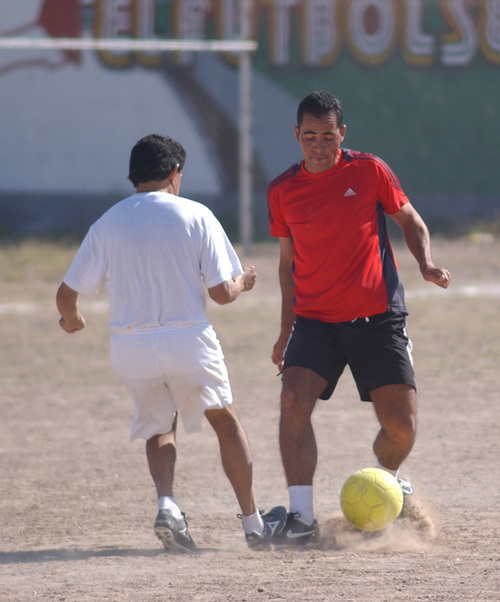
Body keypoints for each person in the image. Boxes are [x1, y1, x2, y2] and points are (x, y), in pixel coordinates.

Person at [56, 134, 286, 552]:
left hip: (130, 347)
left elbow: (66, 295)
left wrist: (72, 321)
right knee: (225, 422)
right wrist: (244, 281)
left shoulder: (107, 223)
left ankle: (168, 506)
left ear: (134, 176)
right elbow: (221, 293)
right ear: (174, 173)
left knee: (159, 426)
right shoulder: (196, 215)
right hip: (187, 340)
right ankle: (254, 525)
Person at [267, 91, 451, 549]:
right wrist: (285, 330)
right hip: (315, 323)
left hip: (378, 318)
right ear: (297, 136)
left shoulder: (369, 170)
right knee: (292, 400)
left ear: (341, 134)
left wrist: (425, 263)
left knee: (402, 426)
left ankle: (388, 482)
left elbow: (410, 220)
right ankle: (301, 517)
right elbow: (286, 266)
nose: (319, 145)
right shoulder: (282, 190)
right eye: (310, 136)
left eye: (328, 135)